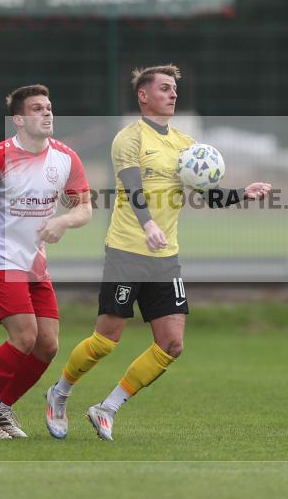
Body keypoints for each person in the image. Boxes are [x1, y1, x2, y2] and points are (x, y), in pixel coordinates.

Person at [44, 64, 271, 441]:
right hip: (127, 252)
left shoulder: (184, 143)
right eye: (165, 88)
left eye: (175, 88)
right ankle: (60, 392)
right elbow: (133, 187)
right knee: (105, 341)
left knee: (172, 343)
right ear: (143, 95)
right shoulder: (128, 139)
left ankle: (107, 408)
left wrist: (242, 193)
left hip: (166, 258)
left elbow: (207, 195)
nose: (173, 93)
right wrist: (148, 224)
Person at [0, 84, 91, 440]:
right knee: (25, 336)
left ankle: (1, 407)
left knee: (48, 345)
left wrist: (62, 221)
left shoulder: (66, 157)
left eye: (49, 107)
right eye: (38, 108)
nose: (47, 113)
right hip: (0, 258)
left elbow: (85, 208)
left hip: (34, 263)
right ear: (19, 119)